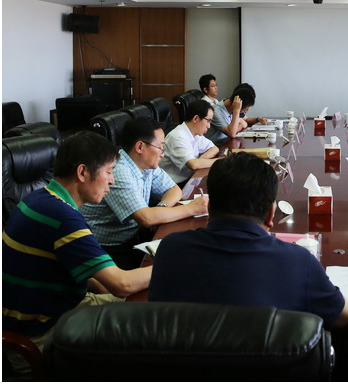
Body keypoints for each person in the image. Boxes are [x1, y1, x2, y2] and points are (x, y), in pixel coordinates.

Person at [149, 152, 348, 330]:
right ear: (271, 214)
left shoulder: (170, 249)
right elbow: (342, 317)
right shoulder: (299, 261)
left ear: (209, 208)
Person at [2, 131, 152, 356]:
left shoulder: (38, 198)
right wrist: (171, 263)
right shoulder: (62, 217)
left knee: (148, 302)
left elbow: (70, 270)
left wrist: (105, 288)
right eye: (109, 171)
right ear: (82, 172)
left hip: (48, 314)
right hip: (40, 337)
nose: (112, 180)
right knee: (149, 327)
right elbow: (122, 284)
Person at [81, 117, 209, 270]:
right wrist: (193, 208)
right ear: (140, 147)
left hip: (134, 237)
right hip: (108, 249)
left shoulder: (146, 165)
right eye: (161, 147)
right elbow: (146, 219)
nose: (163, 154)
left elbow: (174, 190)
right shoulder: (119, 170)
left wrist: (161, 209)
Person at [160, 99, 220, 185]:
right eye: (208, 121)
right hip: (174, 185)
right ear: (196, 119)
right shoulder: (177, 136)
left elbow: (214, 148)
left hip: (190, 179)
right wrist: (220, 161)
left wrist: (202, 159)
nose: (209, 126)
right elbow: (193, 164)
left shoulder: (196, 133)